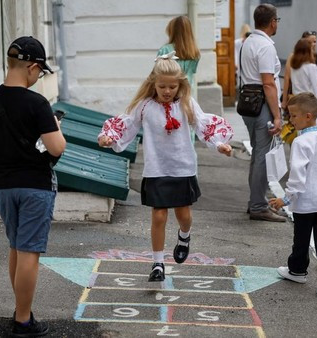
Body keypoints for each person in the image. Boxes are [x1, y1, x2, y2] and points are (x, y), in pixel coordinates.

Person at [98, 54, 234, 282]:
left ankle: (184, 235)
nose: (167, 90)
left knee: (184, 215)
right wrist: (109, 136)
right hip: (156, 168)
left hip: (182, 168)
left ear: (180, 84)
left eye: (173, 86)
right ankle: (158, 262)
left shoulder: (187, 103)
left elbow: (203, 125)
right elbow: (127, 123)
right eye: (162, 86)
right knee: (159, 216)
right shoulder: (144, 106)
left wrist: (220, 144)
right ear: (153, 84)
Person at [0, 36, 66, 336]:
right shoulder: (38, 103)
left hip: (4, 187)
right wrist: (56, 127)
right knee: (29, 251)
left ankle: (20, 310)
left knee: (17, 247)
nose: (37, 78)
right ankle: (23, 320)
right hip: (35, 187)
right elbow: (56, 149)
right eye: (39, 73)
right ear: (32, 67)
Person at [269, 92, 317, 296]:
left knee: (301, 238)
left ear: (308, 116)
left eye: (293, 116)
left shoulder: (301, 143)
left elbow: (297, 176)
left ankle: (297, 270)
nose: (290, 120)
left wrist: (285, 199)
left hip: (306, 201)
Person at [239, 3, 286, 222]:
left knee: (258, 153)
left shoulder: (248, 41)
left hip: (249, 103)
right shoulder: (266, 46)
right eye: (277, 20)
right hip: (262, 106)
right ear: (272, 21)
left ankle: (255, 201)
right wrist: (277, 116)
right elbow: (268, 83)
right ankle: (258, 205)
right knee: (262, 157)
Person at [282, 39, 317, 124]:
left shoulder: (294, 67)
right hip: (310, 105)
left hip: (297, 103)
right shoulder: (311, 67)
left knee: (300, 133)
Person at [158, 16, 201, 99]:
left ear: (171, 31)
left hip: (168, 92)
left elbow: (158, 72)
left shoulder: (165, 49)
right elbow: (192, 72)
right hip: (187, 93)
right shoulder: (195, 52)